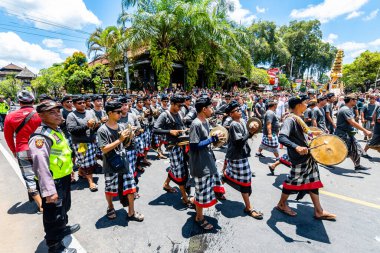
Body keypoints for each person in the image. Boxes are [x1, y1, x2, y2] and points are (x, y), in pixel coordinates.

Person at [29, 101, 80, 253]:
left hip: (62, 178)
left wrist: (69, 171)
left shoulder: (55, 130)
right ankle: (54, 246)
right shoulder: (40, 137)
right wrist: (49, 190)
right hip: (52, 183)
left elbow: (62, 153)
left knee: (64, 208)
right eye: (52, 112)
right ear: (41, 116)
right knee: (54, 215)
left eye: (58, 110)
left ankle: (62, 229)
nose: (58, 114)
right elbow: (41, 166)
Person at [276, 95, 336, 220]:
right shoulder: (290, 120)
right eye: (305, 102)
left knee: (313, 182)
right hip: (299, 158)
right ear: (298, 105)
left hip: (308, 157)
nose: (307, 105)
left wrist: (316, 133)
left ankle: (319, 211)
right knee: (291, 181)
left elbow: (303, 135)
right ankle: (281, 204)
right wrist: (296, 147)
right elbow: (282, 137)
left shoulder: (299, 119)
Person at [97, 101, 144, 222]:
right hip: (110, 162)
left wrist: (130, 135)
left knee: (131, 186)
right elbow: (104, 149)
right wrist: (120, 139)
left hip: (124, 161)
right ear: (110, 113)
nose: (121, 113)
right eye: (118, 112)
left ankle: (131, 212)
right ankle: (111, 207)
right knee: (110, 188)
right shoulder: (102, 130)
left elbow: (126, 143)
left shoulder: (122, 126)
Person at [189, 97, 226, 230]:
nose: (212, 109)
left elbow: (207, 140)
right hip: (199, 163)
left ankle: (194, 202)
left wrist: (215, 139)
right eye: (210, 107)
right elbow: (193, 146)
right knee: (201, 192)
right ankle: (199, 217)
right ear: (204, 109)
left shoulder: (205, 122)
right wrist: (211, 139)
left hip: (207, 160)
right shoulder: (196, 124)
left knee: (203, 189)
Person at [223, 100, 263, 220]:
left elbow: (246, 136)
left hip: (239, 155)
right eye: (236, 111)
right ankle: (248, 207)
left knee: (229, 175)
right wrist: (250, 132)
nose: (240, 111)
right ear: (231, 114)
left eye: (240, 109)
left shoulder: (241, 121)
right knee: (245, 180)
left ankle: (218, 187)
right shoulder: (234, 124)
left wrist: (252, 130)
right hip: (237, 156)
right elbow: (238, 142)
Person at [4, 90, 43, 213]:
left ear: (19, 102)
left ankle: (41, 206)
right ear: (33, 100)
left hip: (22, 150)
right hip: (40, 148)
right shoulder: (39, 114)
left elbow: (8, 137)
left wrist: (14, 151)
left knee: (30, 178)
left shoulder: (10, 116)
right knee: (44, 174)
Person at [153, 95, 194, 208]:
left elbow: (182, 125)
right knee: (180, 171)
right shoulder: (164, 115)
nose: (181, 107)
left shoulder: (180, 113)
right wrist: (169, 131)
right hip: (173, 147)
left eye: (182, 105)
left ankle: (166, 184)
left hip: (183, 145)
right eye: (179, 105)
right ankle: (185, 198)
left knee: (176, 167)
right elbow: (155, 129)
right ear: (172, 104)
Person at [66, 96, 99, 191]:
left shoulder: (90, 112)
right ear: (74, 104)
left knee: (85, 161)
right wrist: (86, 125)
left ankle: (80, 172)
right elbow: (72, 130)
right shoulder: (71, 115)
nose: (83, 104)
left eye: (83, 102)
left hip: (91, 141)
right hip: (81, 143)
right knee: (87, 163)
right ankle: (91, 182)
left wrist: (97, 125)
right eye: (79, 103)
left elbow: (94, 126)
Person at [334, 94, 372, 171]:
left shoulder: (349, 108)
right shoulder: (345, 109)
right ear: (351, 100)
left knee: (356, 149)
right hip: (343, 134)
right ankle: (326, 161)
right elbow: (353, 122)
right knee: (340, 151)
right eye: (355, 100)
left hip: (348, 133)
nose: (357, 101)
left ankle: (357, 165)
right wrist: (365, 130)